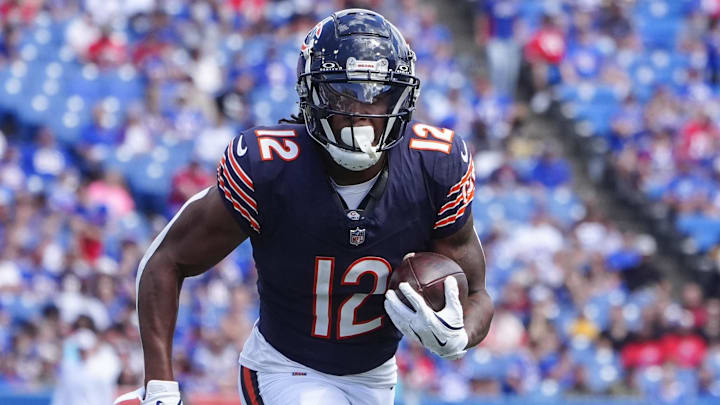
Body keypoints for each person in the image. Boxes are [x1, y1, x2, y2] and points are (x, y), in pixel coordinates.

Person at [115, 9, 494, 405]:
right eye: (343, 93)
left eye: (376, 95)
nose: (360, 112)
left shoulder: (434, 165)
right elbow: (167, 259)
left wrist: (459, 335)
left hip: (376, 376)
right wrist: (158, 387)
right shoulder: (271, 166)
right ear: (312, 95)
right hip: (284, 368)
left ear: (401, 98)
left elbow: (479, 293)